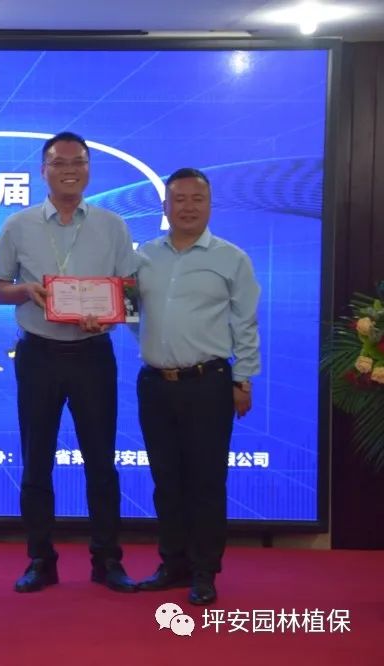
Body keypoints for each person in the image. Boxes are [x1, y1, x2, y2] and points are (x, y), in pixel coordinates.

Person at [0, 131, 140, 594]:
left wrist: (111, 315)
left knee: (101, 461)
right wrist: (24, 290)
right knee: (36, 460)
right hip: (39, 354)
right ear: (44, 170)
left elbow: (130, 292)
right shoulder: (19, 224)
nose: (69, 170)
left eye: (78, 162)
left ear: (89, 169)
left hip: (93, 354)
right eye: (59, 162)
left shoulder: (113, 226)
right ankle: (41, 560)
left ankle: (107, 560)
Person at [132, 168, 260, 606]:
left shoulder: (231, 258)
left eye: (196, 199)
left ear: (209, 205)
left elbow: (245, 324)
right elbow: (129, 312)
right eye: (179, 199)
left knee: (206, 481)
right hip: (154, 383)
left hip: (209, 383)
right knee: (165, 480)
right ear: (165, 206)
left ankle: (205, 571)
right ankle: (173, 564)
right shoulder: (144, 257)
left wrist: (243, 379)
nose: (187, 207)